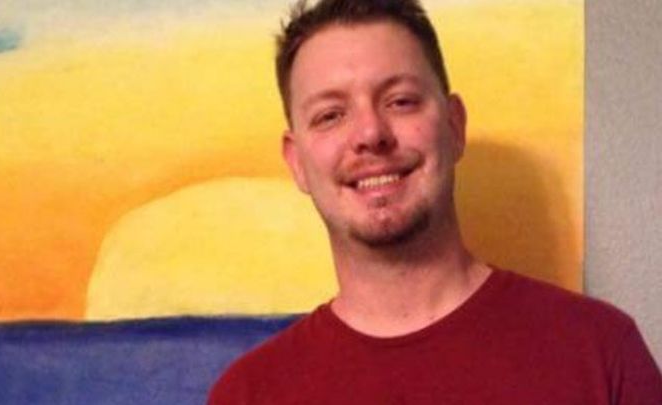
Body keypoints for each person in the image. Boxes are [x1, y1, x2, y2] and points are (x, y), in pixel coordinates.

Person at [208, 0, 662, 403]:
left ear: (454, 125)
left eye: (400, 101)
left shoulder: (601, 350)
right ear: (297, 162)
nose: (370, 133)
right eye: (330, 115)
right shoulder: (248, 394)